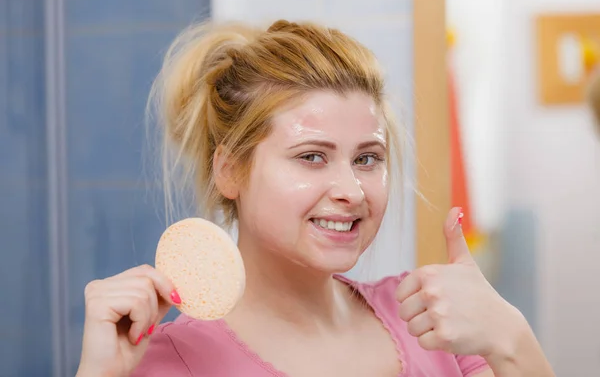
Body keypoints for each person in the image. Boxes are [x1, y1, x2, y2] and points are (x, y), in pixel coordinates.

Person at [75, 19, 555, 377]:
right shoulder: (168, 361)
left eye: (368, 158)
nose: (350, 191)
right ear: (230, 169)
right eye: (311, 157)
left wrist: (509, 336)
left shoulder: (434, 323)